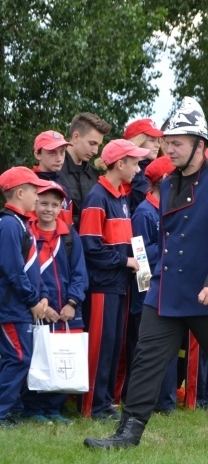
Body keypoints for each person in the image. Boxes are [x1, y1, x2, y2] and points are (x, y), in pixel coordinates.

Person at [84, 97, 208, 455]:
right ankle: (128, 432)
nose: (169, 149)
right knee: (147, 359)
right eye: (168, 142)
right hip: (167, 289)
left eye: (178, 143)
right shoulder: (168, 182)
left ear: (199, 146)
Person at [78, 139, 147, 419]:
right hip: (102, 286)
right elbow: (90, 246)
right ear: (120, 164)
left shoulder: (122, 197)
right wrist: (125, 261)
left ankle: (105, 403)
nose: (139, 168)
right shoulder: (98, 197)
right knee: (100, 345)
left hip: (119, 284)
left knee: (114, 345)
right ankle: (91, 406)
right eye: (135, 162)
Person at [20, 181, 88, 424]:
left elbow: (80, 272)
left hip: (67, 312)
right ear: (35, 204)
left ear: (62, 208)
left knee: (63, 357)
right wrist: (40, 304)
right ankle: (32, 407)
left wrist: (72, 302)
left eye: (54, 205)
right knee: (38, 356)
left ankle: (54, 408)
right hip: (40, 310)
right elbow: (24, 272)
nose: (48, 209)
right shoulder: (27, 234)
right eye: (43, 203)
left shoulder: (70, 236)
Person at [0, 167, 51, 428]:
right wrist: (32, 300)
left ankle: (12, 409)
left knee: (18, 357)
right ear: (20, 193)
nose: (37, 196)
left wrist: (40, 296)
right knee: (18, 358)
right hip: (12, 307)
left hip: (20, 306)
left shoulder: (21, 223)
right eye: (34, 191)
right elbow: (12, 269)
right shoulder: (9, 224)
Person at [125, 155, 176, 412]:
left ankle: (166, 401)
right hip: (147, 293)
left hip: (167, 289)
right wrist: (172, 245)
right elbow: (140, 258)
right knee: (147, 349)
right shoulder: (144, 213)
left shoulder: (168, 210)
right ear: (164, 180)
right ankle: (151, 400)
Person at [58, 113, 112, 230]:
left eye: (98, 145)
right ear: (76, 137)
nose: (95, 151)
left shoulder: (95, 175)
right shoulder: (55, 171)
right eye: (92, 143)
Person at [32, 131, 75, 224]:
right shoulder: (29, 186)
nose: (59, 158)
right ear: (38, 154)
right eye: (52, 153)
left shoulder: (63, 187)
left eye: (62, 152)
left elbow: (69, 227)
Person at [122, 118, 164, 213]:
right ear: (138, 141)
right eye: (152, 140)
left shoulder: (161, 169)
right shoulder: (125, 173)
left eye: (158, 141)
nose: (157, 145)